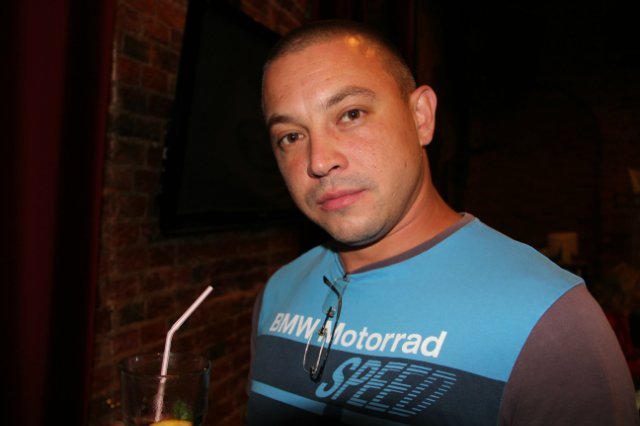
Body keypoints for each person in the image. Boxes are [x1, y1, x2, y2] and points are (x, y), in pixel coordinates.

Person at [246, 20, 639, 425]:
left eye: (351, 114)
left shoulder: (553, 325)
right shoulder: (277, 294)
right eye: (291, 136)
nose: (318, 160)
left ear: (420, 117)